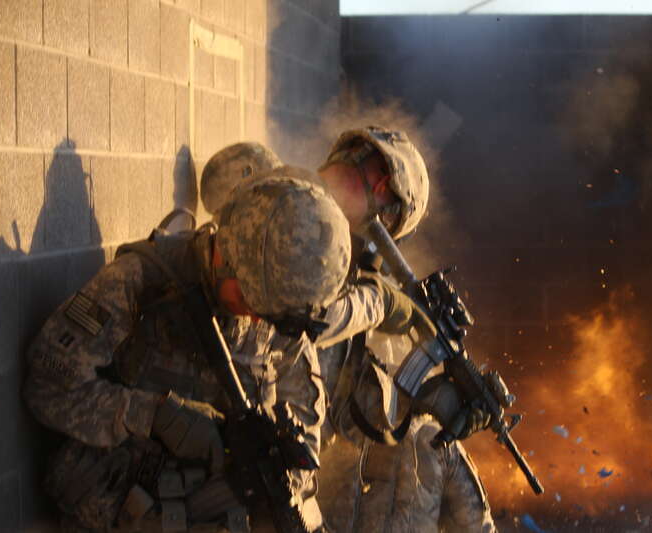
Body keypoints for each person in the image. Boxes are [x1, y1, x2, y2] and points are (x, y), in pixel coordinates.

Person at [23, 176, 400, 533]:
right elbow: (48, 388)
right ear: (227, 254)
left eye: (268, 311)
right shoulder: (139, 283)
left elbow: (304, 421)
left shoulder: (279, 309)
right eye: (249, 299)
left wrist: (273, 472)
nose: (256, 316)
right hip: (122, 502)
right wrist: (154, 415)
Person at [202, 128, 497, 533]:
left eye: (386, 194)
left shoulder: (354, 290)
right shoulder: (270, 196)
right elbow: (290, 316)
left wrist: (429, 401)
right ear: (343, 152)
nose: (371, 183)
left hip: (276, 464)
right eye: (371, 165)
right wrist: (379, 303)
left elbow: (355, 414)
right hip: (222, 440)